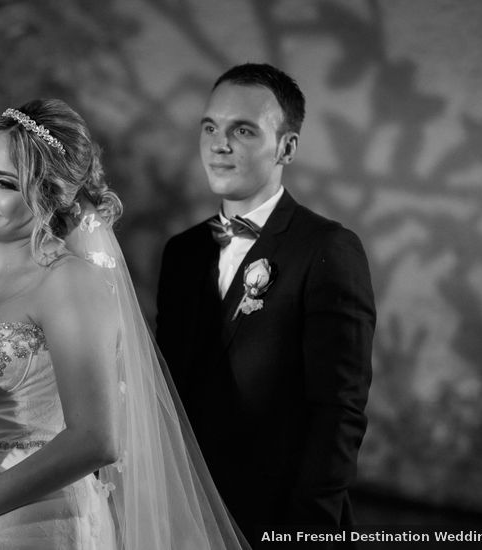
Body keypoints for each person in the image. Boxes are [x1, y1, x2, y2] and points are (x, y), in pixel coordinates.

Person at [0, 99, 249, 549]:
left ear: (49, 195)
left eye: (4, 183)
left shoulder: (70, 281)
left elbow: (97, 440)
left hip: (36, 519)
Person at [156, 63, 376, 546]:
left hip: (282, 516)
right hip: (187, 511)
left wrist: (306, 530)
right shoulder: (182, 253)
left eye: (243, 130)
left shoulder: (328, 249)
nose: (219, 144)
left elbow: (339, 409)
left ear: (287, 147)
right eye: (210, 127)